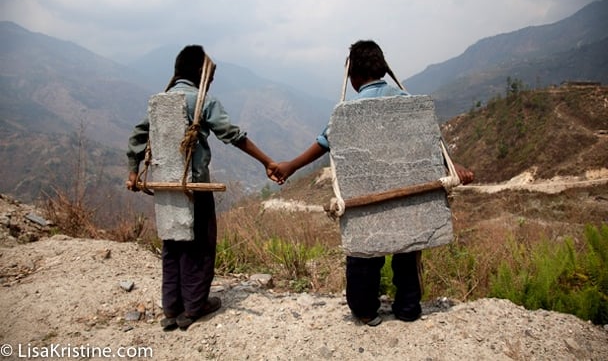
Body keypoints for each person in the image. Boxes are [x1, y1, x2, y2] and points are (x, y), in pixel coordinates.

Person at [271, 40, 474, 326]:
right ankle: (407, 308)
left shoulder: (346, 113)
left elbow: (323, 143)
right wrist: (455, 166)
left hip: (365, 202)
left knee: (363, 257)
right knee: (407, 249)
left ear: (352, 78)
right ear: (384, 69)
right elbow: (432, 144)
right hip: (405, 198)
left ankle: (366, 311)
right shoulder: (408, 103)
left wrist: (290, 166)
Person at [126, 44, 278, 331]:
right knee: (199, 243)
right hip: (195, 185)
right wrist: (267, 161)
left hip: (165, 186)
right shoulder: (201, 101)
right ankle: (194, 307)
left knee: (172, 243)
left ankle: (171, 308)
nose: (211, 82)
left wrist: (133, 172)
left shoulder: (159, 100)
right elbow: (232, 134)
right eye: (210, 76)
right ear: (200, 71)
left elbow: (138, 134)